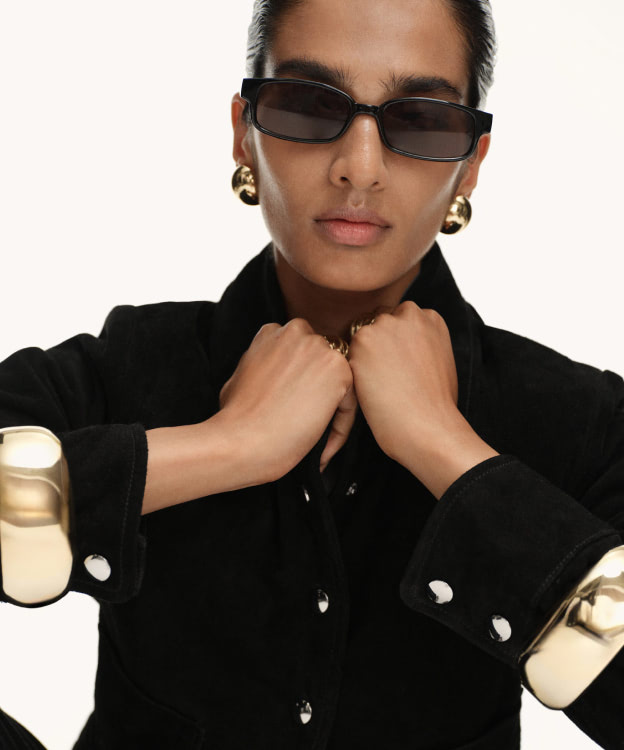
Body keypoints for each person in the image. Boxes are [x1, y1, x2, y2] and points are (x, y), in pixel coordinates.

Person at [1, 0, 624, 748]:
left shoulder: (574, 419)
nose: (359, 167)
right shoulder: (134, 362)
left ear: (471, 163)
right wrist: (228, 445)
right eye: (308, 105)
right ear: (245, 131)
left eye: (421, 121)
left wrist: (448, 451)